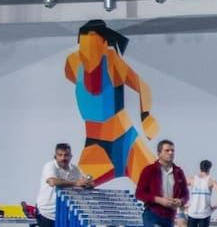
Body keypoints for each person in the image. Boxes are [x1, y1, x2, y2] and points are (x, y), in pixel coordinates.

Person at [64, 19, 159, 185]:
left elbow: (142, 86)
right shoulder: (72, 63)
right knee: (79, 190)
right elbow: (84, 88)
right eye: (83, 46)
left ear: (103, 43)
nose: (87, 54)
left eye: (92, 46)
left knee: (156, 187)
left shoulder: (112, 61)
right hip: (95, 147)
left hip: (127, 142)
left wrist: (146, 116)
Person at [36, 142, 94, 227]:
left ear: (71, 156)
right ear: (55, 156)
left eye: (66, 155)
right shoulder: (50, 166)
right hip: (47, 212)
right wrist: (76, 183)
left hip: (65, 214)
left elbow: (87, 182)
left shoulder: (74, 169)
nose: (63, 158)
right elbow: (53, 182)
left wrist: (87, 184)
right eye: (60, 155)